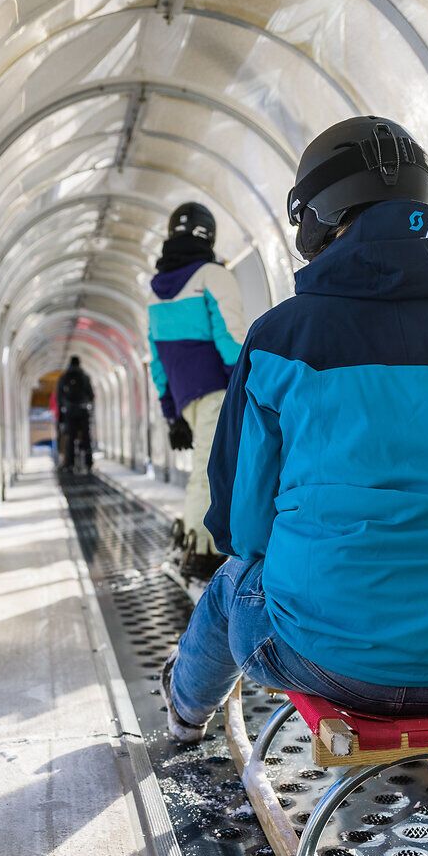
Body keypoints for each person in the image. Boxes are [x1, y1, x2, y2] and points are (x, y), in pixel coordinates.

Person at [159, 116, 428, 741]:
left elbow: (243, 525)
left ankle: (184, 715)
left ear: (316, 214)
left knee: (232, 583)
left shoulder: (281, 340)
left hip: (326, 660)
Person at [146, 202, 247, 580]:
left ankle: (196, 542)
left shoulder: (155, 293)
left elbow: (157, 361)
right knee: (212, 473)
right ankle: (203, 552)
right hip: (219, 392)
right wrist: (244, 386)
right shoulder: (212, 276)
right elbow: (231, 338)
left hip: (187, 398)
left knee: (204, 470)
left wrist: (172, 413)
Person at [54, 355, 94, 472]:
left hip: (69, 413)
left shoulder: (64, 377)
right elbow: (91, 395)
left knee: (70, 438)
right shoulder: (85, 377)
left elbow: (59, 397)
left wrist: (61, 416)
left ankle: (70, 464)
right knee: (86, 438)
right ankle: (88, 462)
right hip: (83, 411)